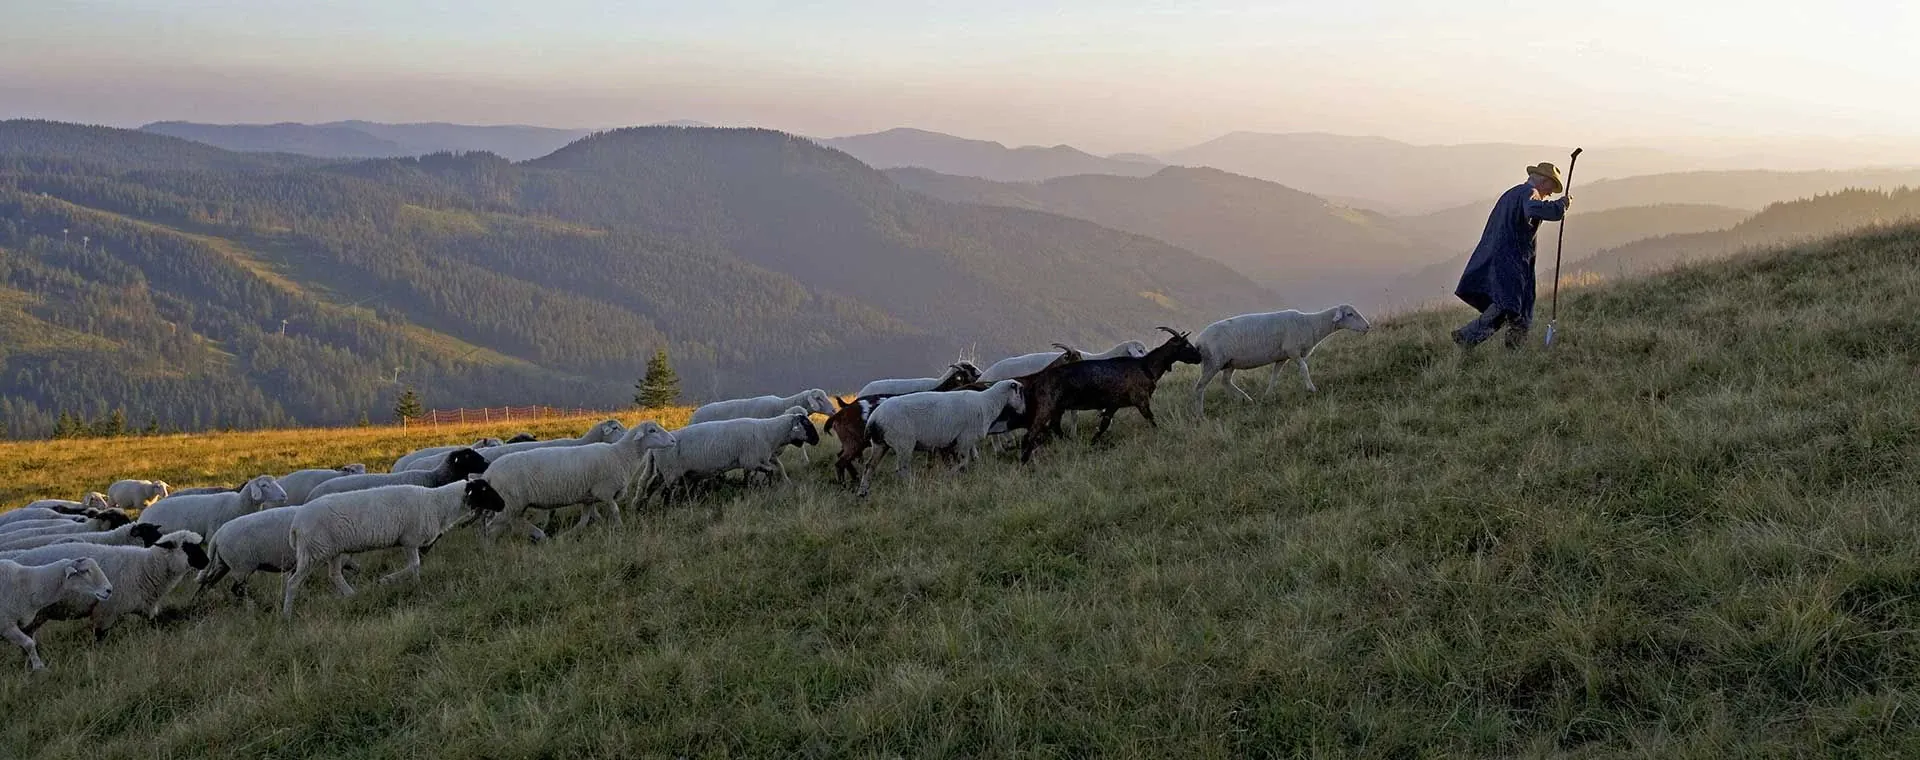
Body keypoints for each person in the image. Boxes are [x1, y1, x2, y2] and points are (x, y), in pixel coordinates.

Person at [1451, 162, 1571, 349]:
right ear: (1544, 181)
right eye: (1551, 187)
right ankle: (1467, 337)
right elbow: (1534, 209)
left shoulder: (1511, 194)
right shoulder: (1530, 193)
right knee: (1509, 304)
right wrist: (1560, 206)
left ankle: (1512, 350)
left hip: (1504, 257)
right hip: (1512, 259)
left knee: (1517, 306)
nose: (1550, 193)